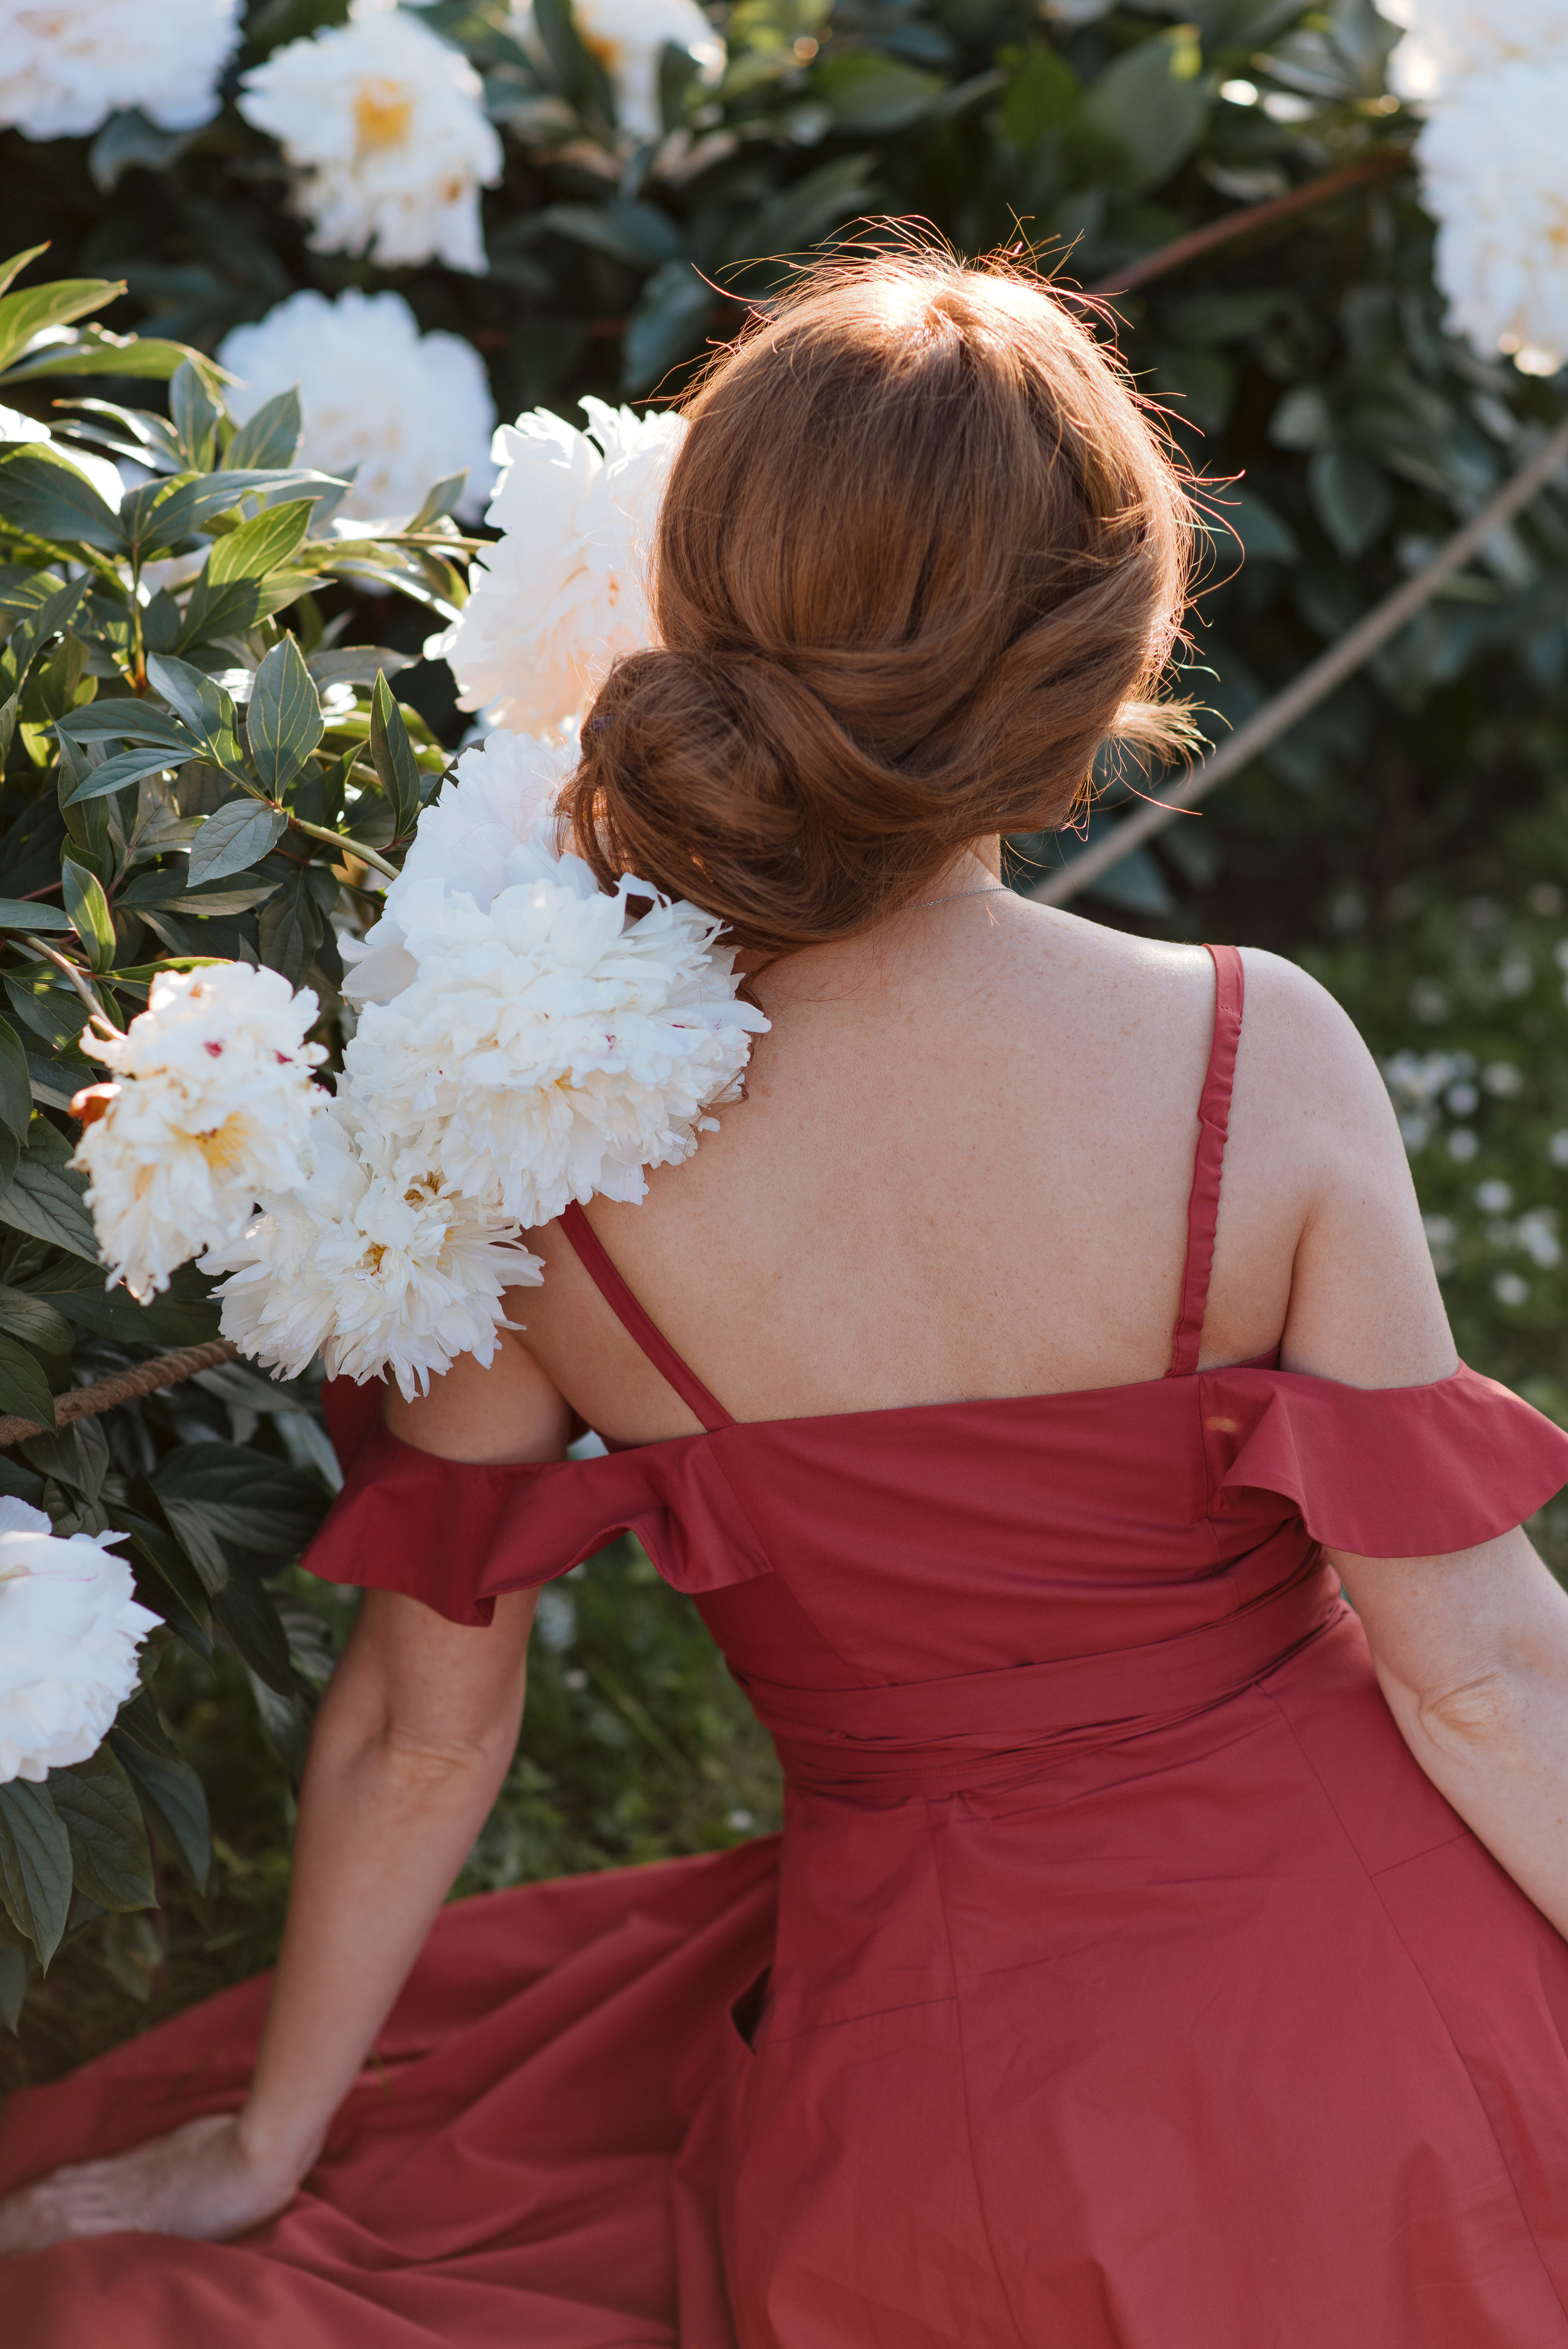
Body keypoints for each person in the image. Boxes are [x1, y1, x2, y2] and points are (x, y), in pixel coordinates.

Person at [5, 244, 1568, 2349]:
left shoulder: (552, 1142)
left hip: (926, 2090)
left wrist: (268, 2142)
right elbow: (1483, 1675)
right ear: (1111, 650)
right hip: (1384, 2025)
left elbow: (417, 1725)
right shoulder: (1251, 1057)